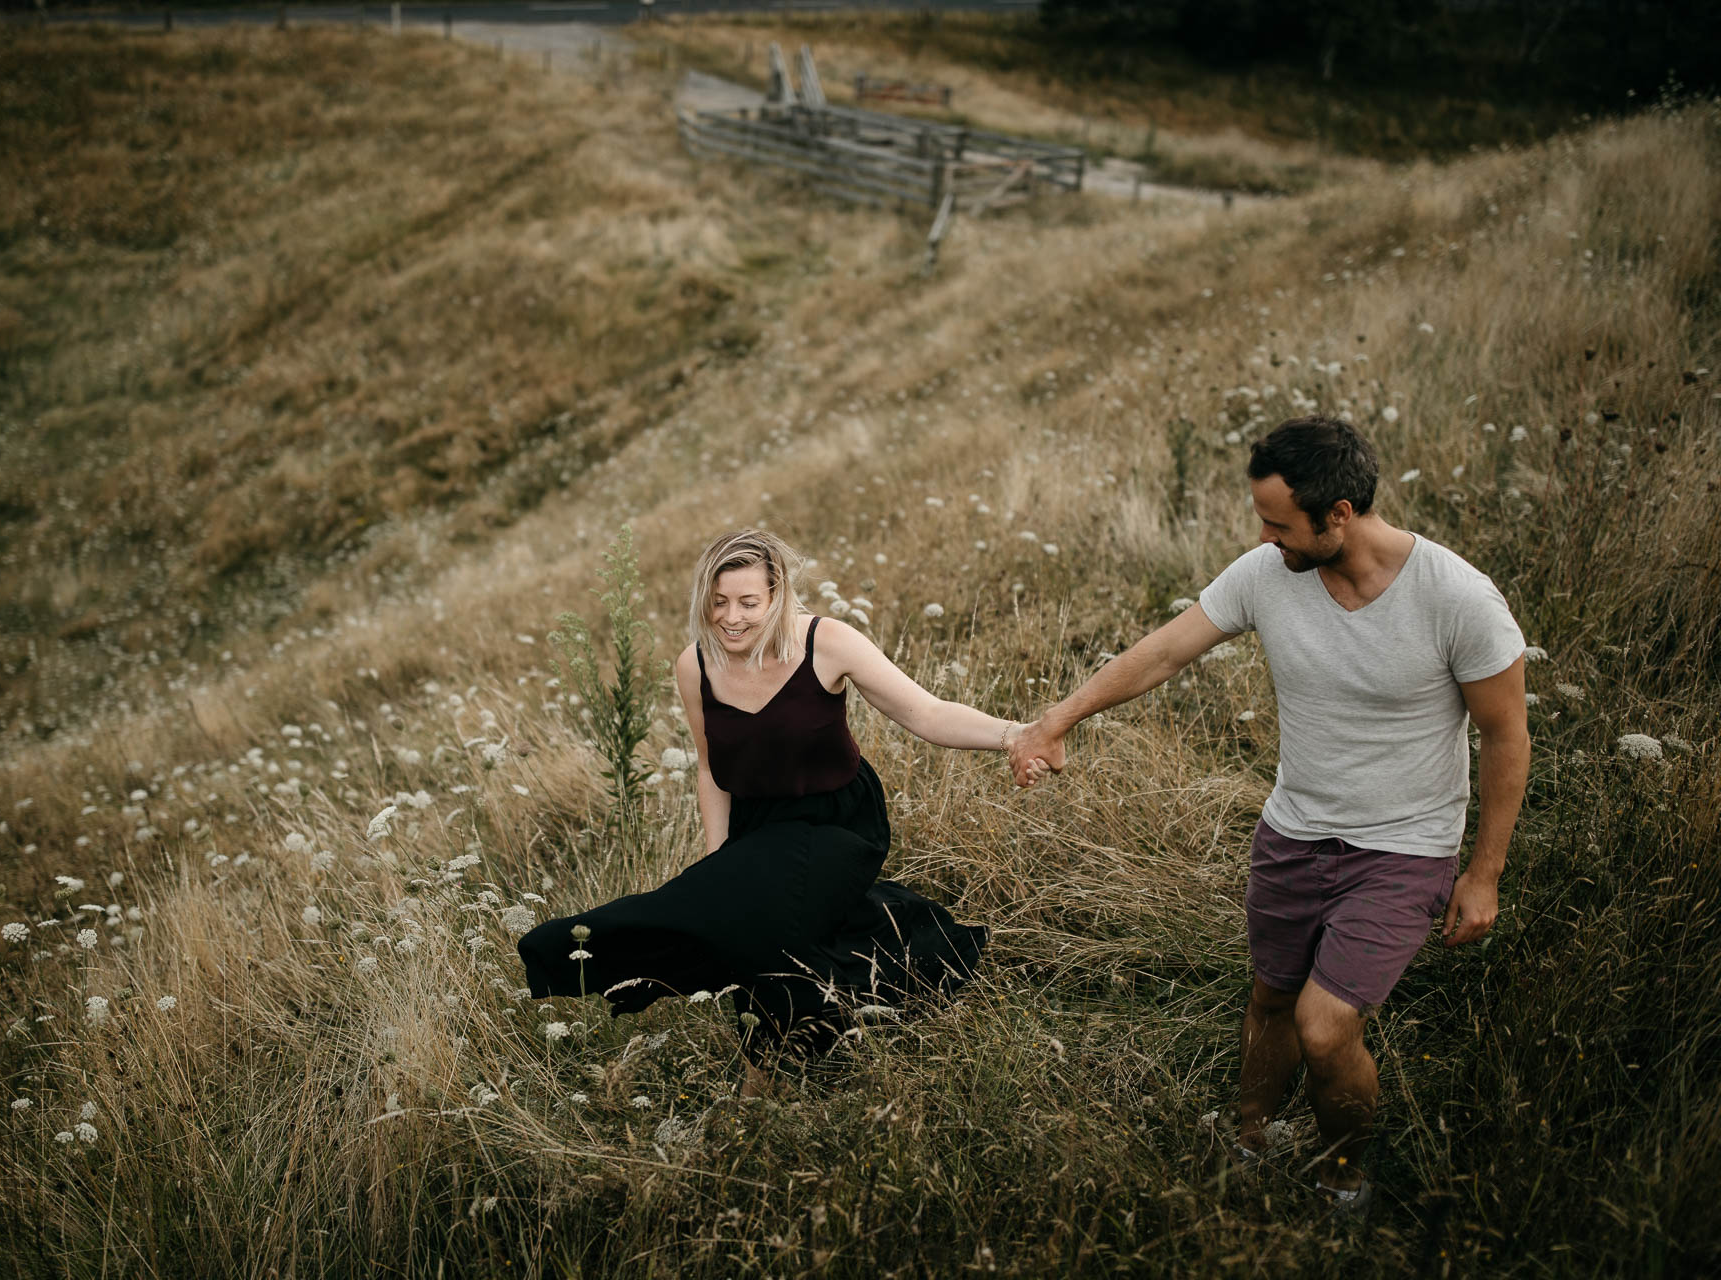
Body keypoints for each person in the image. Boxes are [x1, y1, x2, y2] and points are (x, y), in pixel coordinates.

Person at [1009, 416, 1530, 1210]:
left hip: (1403, 848)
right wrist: (1058, 719)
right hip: (1292, 832)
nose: (1265, 537)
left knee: (1325, 1027)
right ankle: (1249, 1135)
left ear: (1342, 513)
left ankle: (1345, 1173)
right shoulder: (1267, 572)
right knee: (1272, 995)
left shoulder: (1457, 600)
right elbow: (1165, 650)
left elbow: (1504, 736)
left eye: (1280, 523)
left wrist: (1484, 871)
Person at [519, 529, 1012, 1093]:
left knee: (755, 922)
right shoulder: (695, 666)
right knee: (749, 918)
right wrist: (719, 867)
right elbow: (710, 769)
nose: (731, 617)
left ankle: (761, 1072)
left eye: (749, 602)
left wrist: (1014, 736)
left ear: (778, 596)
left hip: (838, 821)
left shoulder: (827, 644)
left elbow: (926, 713)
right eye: (719, 602)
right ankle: (919, 948)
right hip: (759, 827)